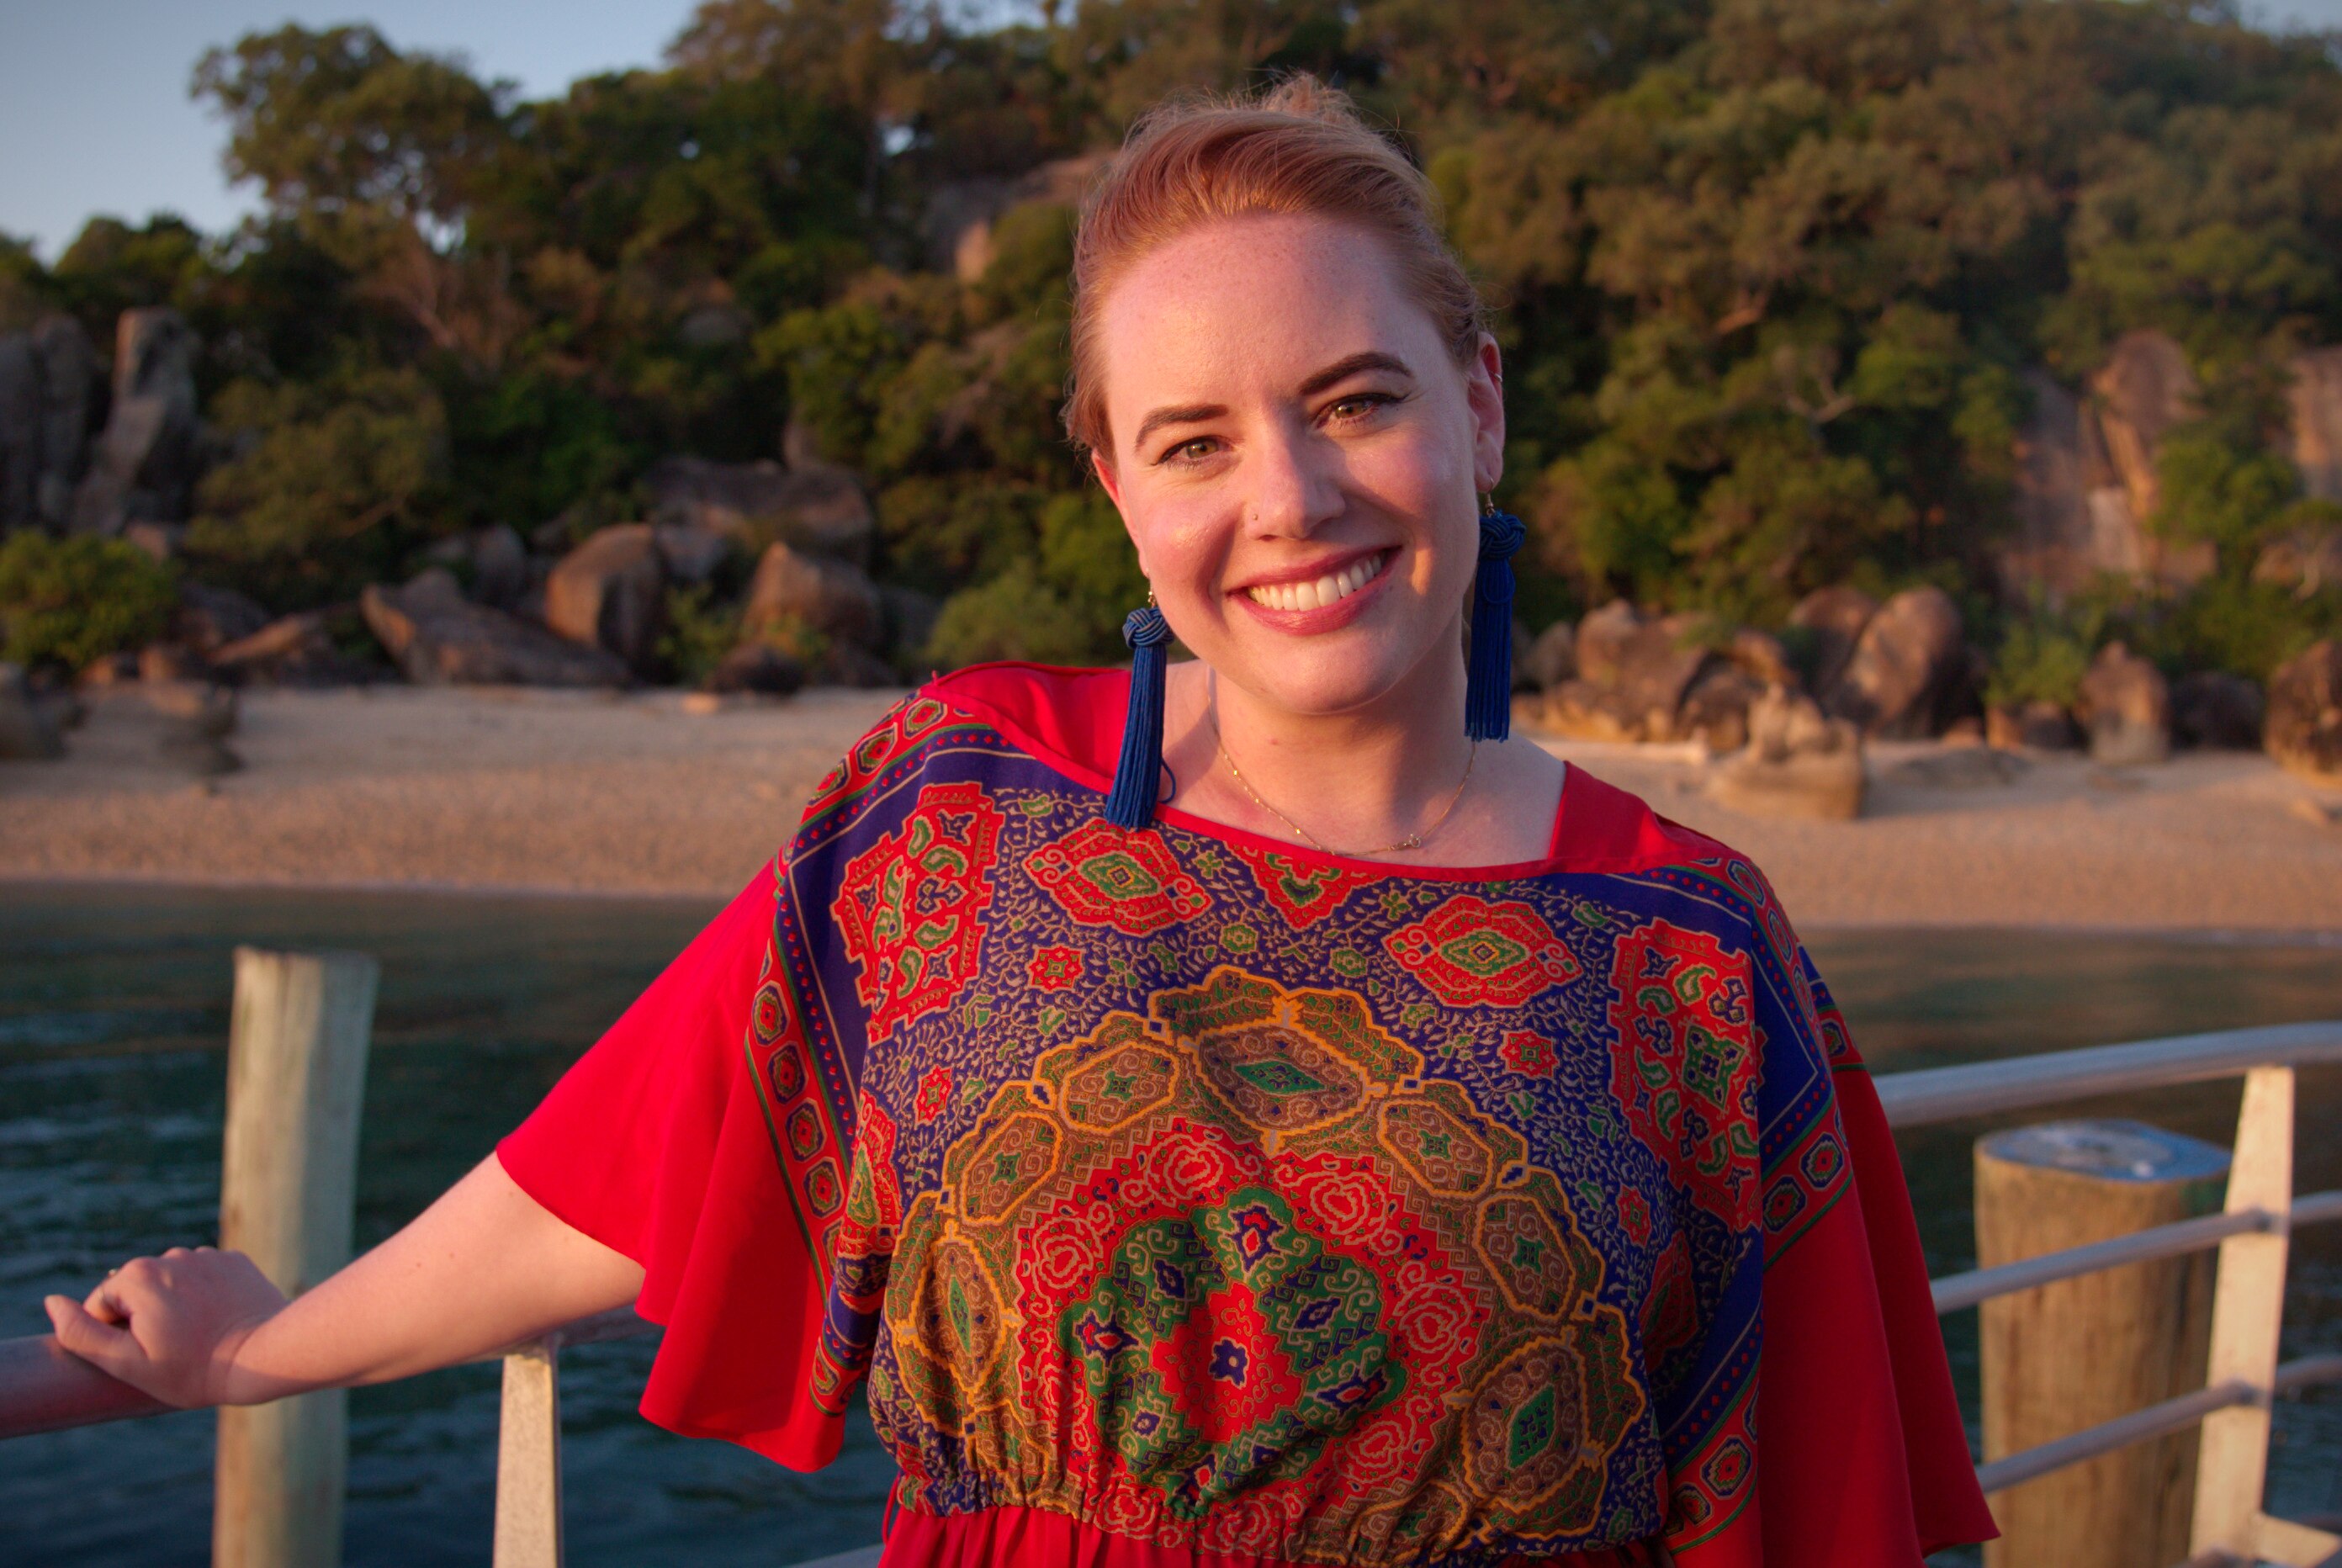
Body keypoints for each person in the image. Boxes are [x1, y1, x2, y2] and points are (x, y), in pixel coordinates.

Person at [48, 79, 1995, 1566]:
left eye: (1357, 400)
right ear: (1115, 487)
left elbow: (1815, 1489)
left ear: (1478, 410)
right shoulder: (959, 807)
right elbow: (638, 1154)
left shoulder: (1690, 948)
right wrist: (255, 1351)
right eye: (1197, 440)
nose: (1295, 497)